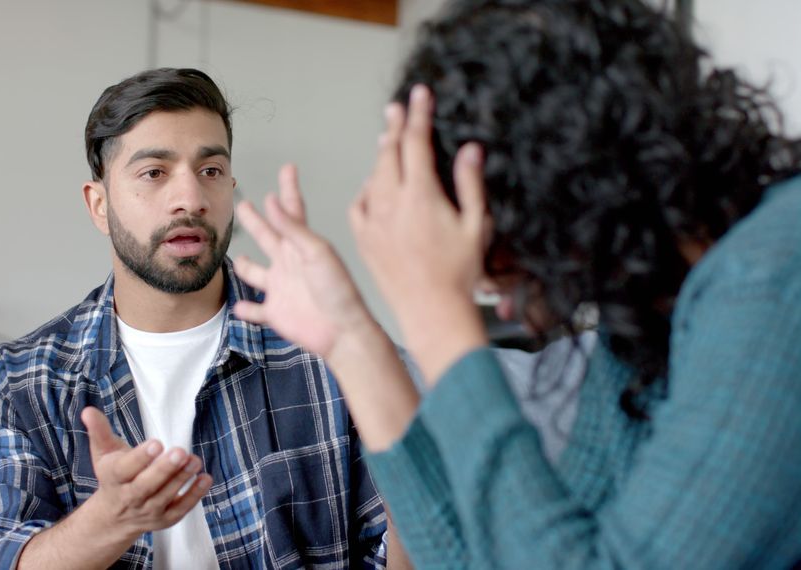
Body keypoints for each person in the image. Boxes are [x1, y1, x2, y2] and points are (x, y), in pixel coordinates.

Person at [231, 0, 801, 568]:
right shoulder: (644, 314)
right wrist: (350, 341)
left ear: (560, 179)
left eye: (480, 232)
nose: (479, 279)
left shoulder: (774, 278)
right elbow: (493, 555)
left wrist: (438, 313)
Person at [0, 68, 402, 569]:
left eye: (211, 171)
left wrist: (378, 374)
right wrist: (110, 520)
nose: (192, 199)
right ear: (99, 205)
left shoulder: (321, 350)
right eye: (154, 172)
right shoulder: (22, 381)